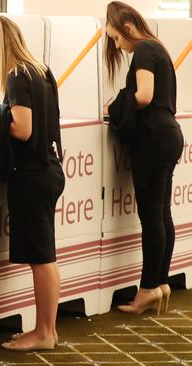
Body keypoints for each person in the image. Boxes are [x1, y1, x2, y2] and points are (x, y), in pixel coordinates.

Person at [0, 15, 65, 351]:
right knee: (46, 256)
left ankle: (43, 333)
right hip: (49, 167)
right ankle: (48, 330)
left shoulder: (16, 73)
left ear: (2, 46)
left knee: (41, 258)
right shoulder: (41, 70)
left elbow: (23, 128)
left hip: (31, 174)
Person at [105, 1, 183, 315]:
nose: (116, 44)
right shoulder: (159, 49)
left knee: (151, 217)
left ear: (126, 28)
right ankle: (160, 282)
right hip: (169, 135)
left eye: (115, 38)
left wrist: (115, 105)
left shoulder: (144, 52)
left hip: (152, 138)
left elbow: (144, 95)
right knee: (162, 214)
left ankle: (148, 289)